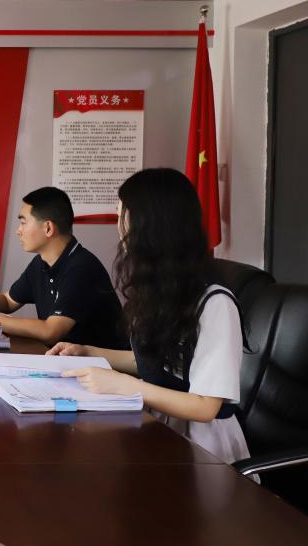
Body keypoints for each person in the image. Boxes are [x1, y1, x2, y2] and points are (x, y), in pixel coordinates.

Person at [48, 168, 250, 465]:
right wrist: (87, 352)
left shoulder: (215, 303)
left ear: (153, 225)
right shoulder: (163, 290)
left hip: (206, 452)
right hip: (159, 429)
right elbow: (156, 361)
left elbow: (206, 406)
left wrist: (123, 385)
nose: (120, 230)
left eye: (124, 217)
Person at [0, 186, 124, 348]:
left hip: (102, 366)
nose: (18, 230)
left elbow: (51, 331)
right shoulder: (41, 262)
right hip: (65, 360)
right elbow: (8, 301)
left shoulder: (81, 268)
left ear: (48, 228)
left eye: (23, 222)